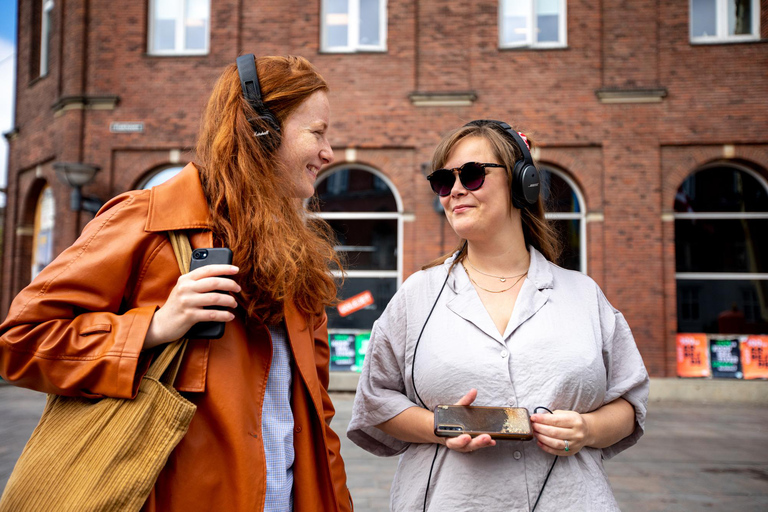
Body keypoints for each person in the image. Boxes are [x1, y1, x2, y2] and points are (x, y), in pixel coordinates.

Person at [0, 55, 352, 512]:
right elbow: (21, 341)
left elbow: (318, 415)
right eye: (317, 133)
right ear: (260, 132)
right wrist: (156, 326)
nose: (329, 152)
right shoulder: (149, 220)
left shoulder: (296, 255)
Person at [347, 120, 649, 511]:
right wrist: (441, 428)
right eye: (443, 180)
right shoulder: (417, 296)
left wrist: (588, 429)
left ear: (523, 184)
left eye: (471, 175)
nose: (454, 190)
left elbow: (629, 402)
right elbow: (375, 399)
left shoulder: (583, 295)